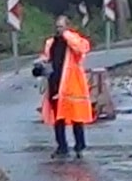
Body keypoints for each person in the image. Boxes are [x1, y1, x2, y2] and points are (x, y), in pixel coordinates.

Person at [36, 10, 94, 156]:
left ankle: (80, 145)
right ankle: (62, 146)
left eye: (61, 27)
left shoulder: (73, 41)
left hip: (72, 86)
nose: (59, 30)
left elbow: (82, 48)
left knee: (76, 118)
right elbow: (47, 58)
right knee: (58, 118)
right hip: (55, 84)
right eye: (57, 27)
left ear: (67, 27)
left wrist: (67, 35)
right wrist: (40, 66)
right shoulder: (51, 43)